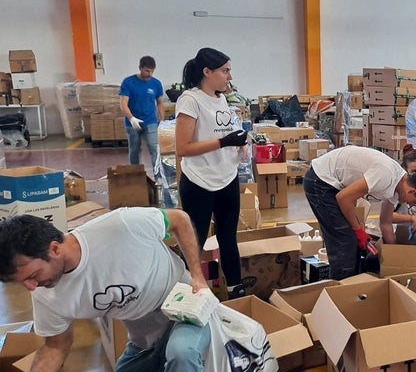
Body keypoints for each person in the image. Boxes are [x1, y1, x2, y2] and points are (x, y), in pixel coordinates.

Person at [0, 207, 209, 372]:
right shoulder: (45, 294)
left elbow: (179, 220)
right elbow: (55, 345)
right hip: (144, 335)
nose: (31, 287)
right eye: (22, 282)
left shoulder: (121, 226)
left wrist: (198, 276)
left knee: (182, 352)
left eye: (33, 276)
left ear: (54, 249)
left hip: (184, 307)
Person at [175, 47, 248, 299]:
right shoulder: (190, 100)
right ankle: (191, 292)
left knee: (228, 237)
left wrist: (238, 145)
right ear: (207, 72)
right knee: (194, 243)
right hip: (199, 182)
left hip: (226, 177)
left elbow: (222, 132)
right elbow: (182, 148)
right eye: (225, 71)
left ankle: (236, 290)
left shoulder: (221, 98)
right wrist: (223, 143)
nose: (230, 76)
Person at [303, 145, 416, 280]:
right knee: (344, 242)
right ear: (412, 191)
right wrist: (358, 230)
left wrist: (394, 256)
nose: (411, 204)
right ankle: (339, 293)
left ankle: (351, 284)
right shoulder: (386, 176)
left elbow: (385, 222)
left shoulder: (398, 187)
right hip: (320, 181)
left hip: (334, 185)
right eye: (415, 202)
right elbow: (343, 198)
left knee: (353, 242)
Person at [119, 55, 165, 174]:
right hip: (132, 123)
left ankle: (158, 176)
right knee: (134, 149)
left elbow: (160, 103)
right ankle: (135, 175)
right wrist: (131, 118)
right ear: (140, 68)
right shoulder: (128, 82)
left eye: (152, 71)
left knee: (154, 149)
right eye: (147, 70)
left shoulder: (156, 84)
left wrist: (162, 120)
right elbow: (123, 104)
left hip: (150, 122)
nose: (149, 73)